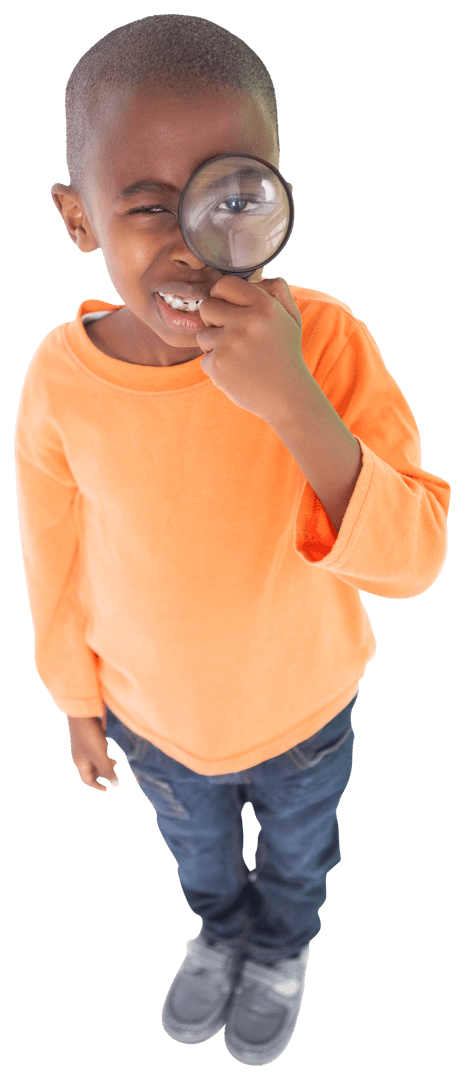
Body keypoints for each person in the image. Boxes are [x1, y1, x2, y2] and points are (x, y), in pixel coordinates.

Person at [14, 13, 451, 1069]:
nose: (190, 241)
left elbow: (418, 558)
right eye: (147, 206)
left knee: (299, 861)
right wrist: (76, 697)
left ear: (276, 196)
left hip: (307, 713)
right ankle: (218, 932)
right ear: (77, 219)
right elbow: (51, 550)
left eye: (231, 197)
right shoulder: (58, 382)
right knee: (198, 860)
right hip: (155, 726)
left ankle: (285, 948)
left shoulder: (329, 341)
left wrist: (293, 401)